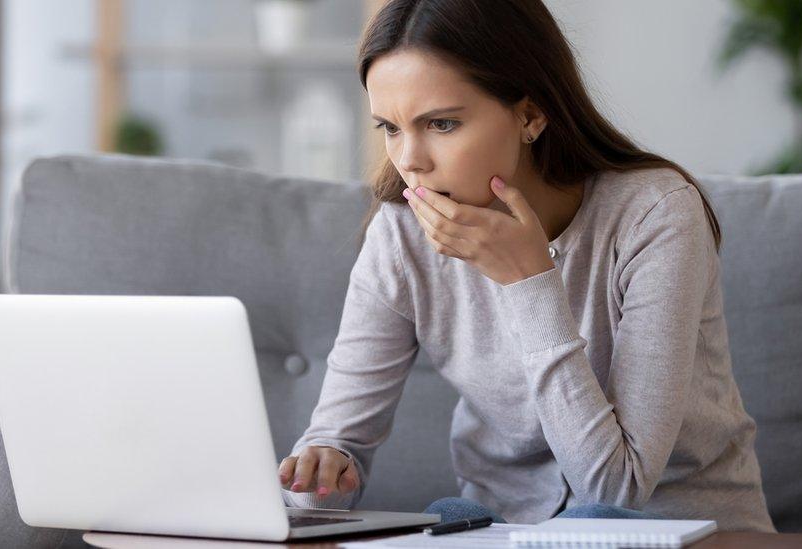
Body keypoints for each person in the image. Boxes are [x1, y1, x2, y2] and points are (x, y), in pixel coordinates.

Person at [277, 0, 776, 532]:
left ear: (531, 115)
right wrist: (324, 466)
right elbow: (334, 447)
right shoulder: (401, 233)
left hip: (677, 526)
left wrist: (529, 281)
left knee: (593, 516)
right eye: (390, 128)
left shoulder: (655, 215)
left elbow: (616, 490)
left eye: (441, 123)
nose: (411, 161)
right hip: (506, 529)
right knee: (450, 518)